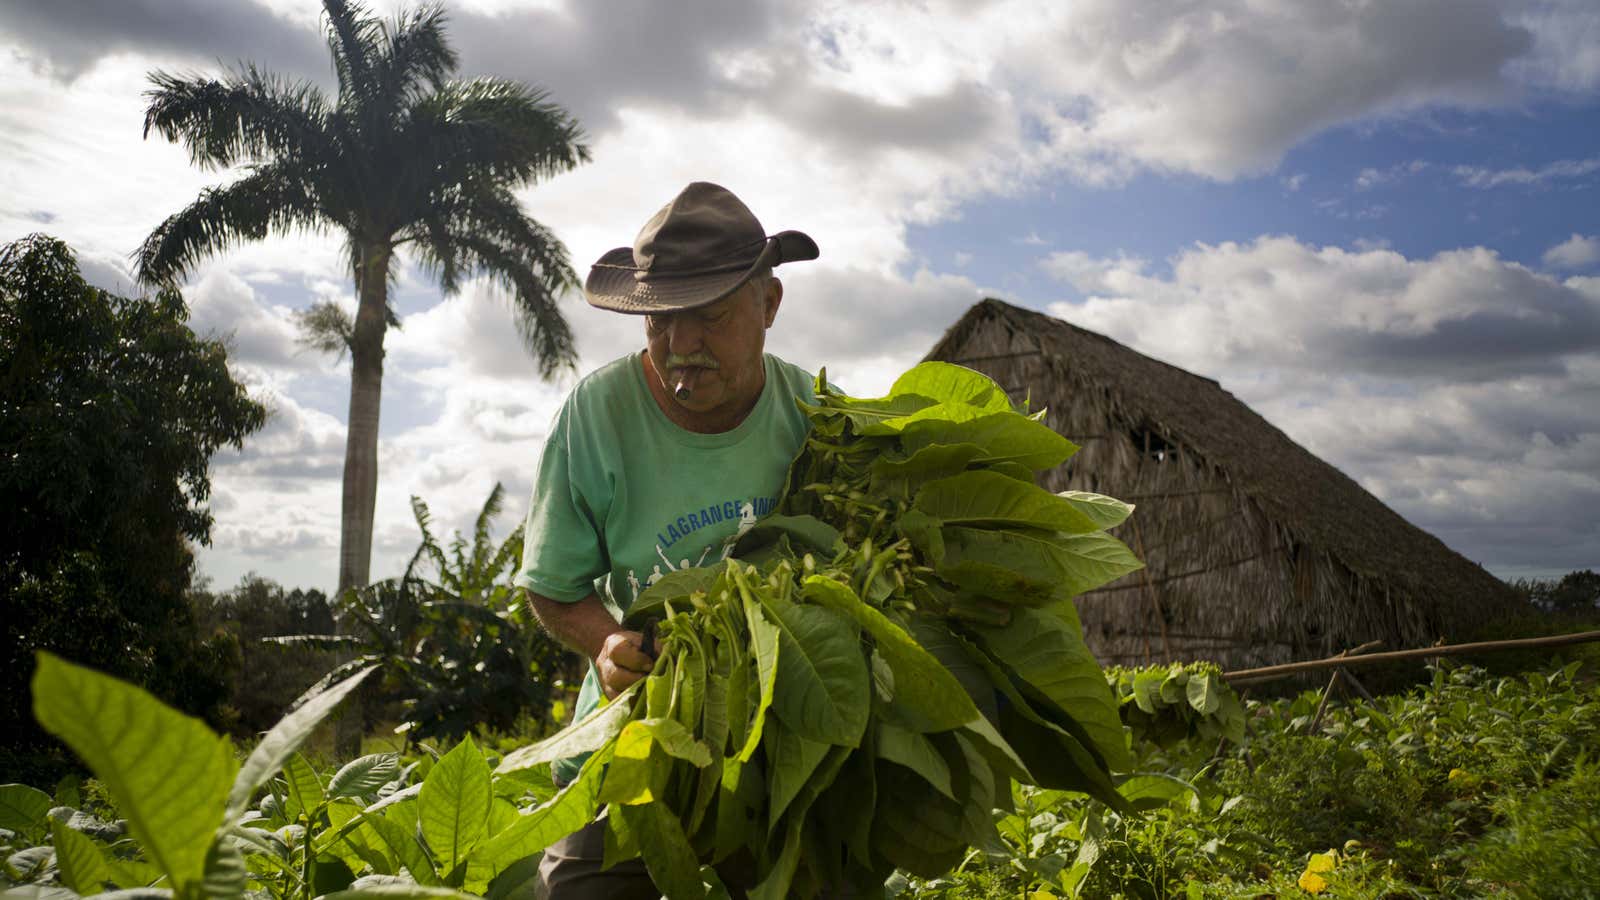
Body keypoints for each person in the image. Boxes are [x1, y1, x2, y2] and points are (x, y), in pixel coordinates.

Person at [515, 181, 820, 899]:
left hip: (782, 740)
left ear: (768, 306)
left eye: (710, 316)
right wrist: (606, 643)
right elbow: (552, 584)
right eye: (659, 322)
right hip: (635, 728)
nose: (682, 346)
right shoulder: (597, 415)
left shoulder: (816, 416)